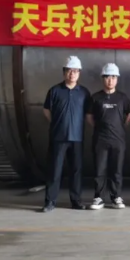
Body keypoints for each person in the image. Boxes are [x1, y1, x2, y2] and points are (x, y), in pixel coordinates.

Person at [42, 56, 91, 213]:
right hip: (58, 137)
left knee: (76, 170)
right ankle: (50, 201)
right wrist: (57, 123)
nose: (72, 74)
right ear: (64, 72)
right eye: (69, 70)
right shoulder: (54, 91)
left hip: (77, 137)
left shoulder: (84, 92)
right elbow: (46, 110)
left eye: (75, 71)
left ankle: (76, 200)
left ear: (79, 73)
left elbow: (88, 114)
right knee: (55, 170)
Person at [86, 63, 130, 211]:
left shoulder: (122, 98)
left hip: (118, 140)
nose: (110, 80)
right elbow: (89, 116)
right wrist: (99, 127)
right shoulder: (96, 97)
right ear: (103, 78)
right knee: (100, 170)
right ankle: (99, 197)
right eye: (107, 77)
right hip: (100, 139)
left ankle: (116, 197)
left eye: (113, 77)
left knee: (116, 170)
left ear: (117, 79)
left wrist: (121, 126)